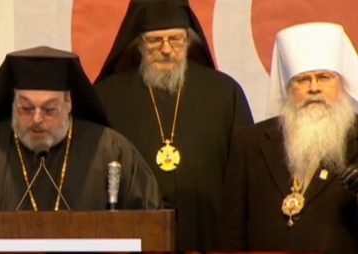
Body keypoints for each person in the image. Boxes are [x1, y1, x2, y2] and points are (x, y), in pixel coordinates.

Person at [92, 0, 254, 251]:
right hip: (133, 238)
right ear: (138, 43)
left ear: (189, 41)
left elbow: (245, 176)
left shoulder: (225, 93)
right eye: (155, 41)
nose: (166, 49)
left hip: (211, 237)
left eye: (176, 40)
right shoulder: (107, 97)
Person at [0, 46, 160, 211]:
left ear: (68, 103)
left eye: (49, 110)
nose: (37, 119)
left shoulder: (110, 149)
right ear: (13, 103)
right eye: (26, 108)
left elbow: (150, 222)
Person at [214, 22, 358, 253]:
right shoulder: (250, 142)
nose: (314, 88)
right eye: (303, 80)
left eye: (324, 77)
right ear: (288, 87)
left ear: (342, 83)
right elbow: (230, 233)